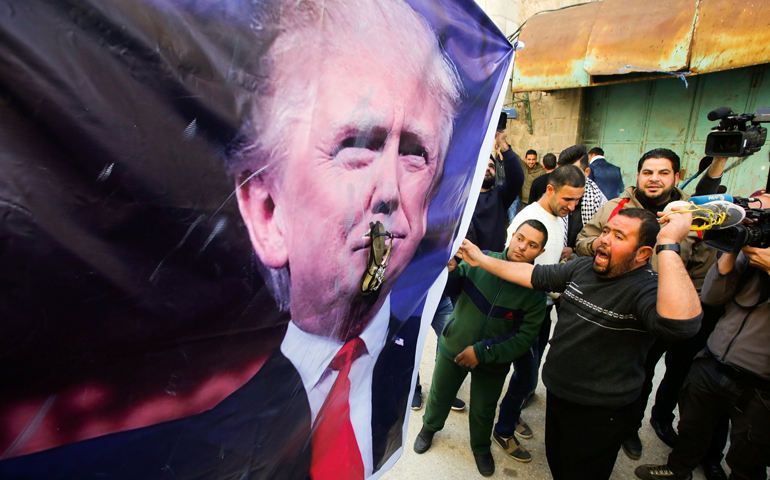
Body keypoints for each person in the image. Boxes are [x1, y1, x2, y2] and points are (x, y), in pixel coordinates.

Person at [0, 0, 465, 479]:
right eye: (356, 146)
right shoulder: (170, 423)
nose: (388, 191)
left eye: (415, 153)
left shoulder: (401, 348)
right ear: (266, 211)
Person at [458, 206, 704, 480]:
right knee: (559, 464)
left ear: (643, 254)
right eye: (606, 231)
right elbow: (532, 276)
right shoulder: (582, 267)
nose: (604, 240)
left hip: (600, 415)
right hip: (560, 395)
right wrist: (480, 259)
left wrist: (669, 246)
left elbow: (683, 325)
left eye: (618, 236)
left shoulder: (645, 288)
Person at [574, 149, 728, 467]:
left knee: (670, 373)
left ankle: (643, 424)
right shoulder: (616, 207)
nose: (654, 179)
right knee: (625, 374)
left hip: (666, 316)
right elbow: (582, 240)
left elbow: (700, 274)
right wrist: (607, 245)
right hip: (619, 310)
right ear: (638, 175)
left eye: (663, 172)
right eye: (648, 172)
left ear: (676, 176)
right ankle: (618, 427)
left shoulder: (690, 216)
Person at [413, 220, 548, 477]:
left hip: (493, 362)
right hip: (453, 346)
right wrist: (452, 270)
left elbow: (523, 338)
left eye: (532, 245)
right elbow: (451, 287)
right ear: (511, 234)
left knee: (484, 409)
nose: (522, 247)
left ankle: (481, 447)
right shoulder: (482, 260)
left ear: (540, 253)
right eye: (520, 238)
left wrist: (482, 352)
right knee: (440, 395)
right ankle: (429, 428)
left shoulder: (534, 292)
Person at [635, 244, 770, 480]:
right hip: (714, 360)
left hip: (760, 381)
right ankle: (677, 469)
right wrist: (730, 251)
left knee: (748, 454)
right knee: (692, 427)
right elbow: (712, 297)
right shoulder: (751, 255)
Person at [412, 130, 523, 411]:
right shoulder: (459, 198)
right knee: (416, 334)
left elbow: (517, 177)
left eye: (491, 166)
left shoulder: (500, 196)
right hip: (451, 275)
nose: (487, 169)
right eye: (481, 165)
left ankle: (443, 385)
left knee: (450, 335)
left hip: (486, 276)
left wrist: (503, 145)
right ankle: (413, 388)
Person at [493, 165, 585, 462]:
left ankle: (513, 409)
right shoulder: (529, 218)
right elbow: (513, 265)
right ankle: (504, 428)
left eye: (576, 201)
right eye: (568, 200)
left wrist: (563, 255)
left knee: (528, 374)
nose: (572, 207)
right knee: (527, 375)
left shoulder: (558, 217)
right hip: (523, 311)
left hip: (543, 308)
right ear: (550, 190)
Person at [556, 145, 607, 259]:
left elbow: (604, 238)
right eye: (563, 172)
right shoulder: (552, 196)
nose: (567, 178)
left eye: (573, 173)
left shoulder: (599, 202)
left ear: (587, 172)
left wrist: (574, 250)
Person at [508, 149, 546, 221]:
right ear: (525, 159)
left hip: (534, 204)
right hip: (522, 202)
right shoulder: (523, 166)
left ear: (536, 159)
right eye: (529, 159)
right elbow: (514, 156)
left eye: (533, 159)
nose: (531, 162)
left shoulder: (541, 172)